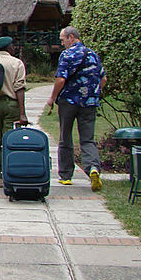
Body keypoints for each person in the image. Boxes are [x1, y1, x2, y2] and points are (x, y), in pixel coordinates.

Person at [47, 26, 108, 191]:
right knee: (87, 138)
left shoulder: (67, 55)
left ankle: (66, 175)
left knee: (65, 136)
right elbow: (103, 79)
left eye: (62, 40)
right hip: (89, 103)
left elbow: (60, 79)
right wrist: (93, 93)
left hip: (69, 101)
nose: (62, 44)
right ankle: (93, 168)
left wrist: (52, 97)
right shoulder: (93, 55)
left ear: (71, 37)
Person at [0, 36, 28, 188]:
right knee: (10, 139)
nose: (14, 48)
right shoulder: (17, 63)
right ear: (8, 47)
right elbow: (19, 88)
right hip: (11, 104)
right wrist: (22, 113)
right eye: (13, 45)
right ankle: (11, 172)